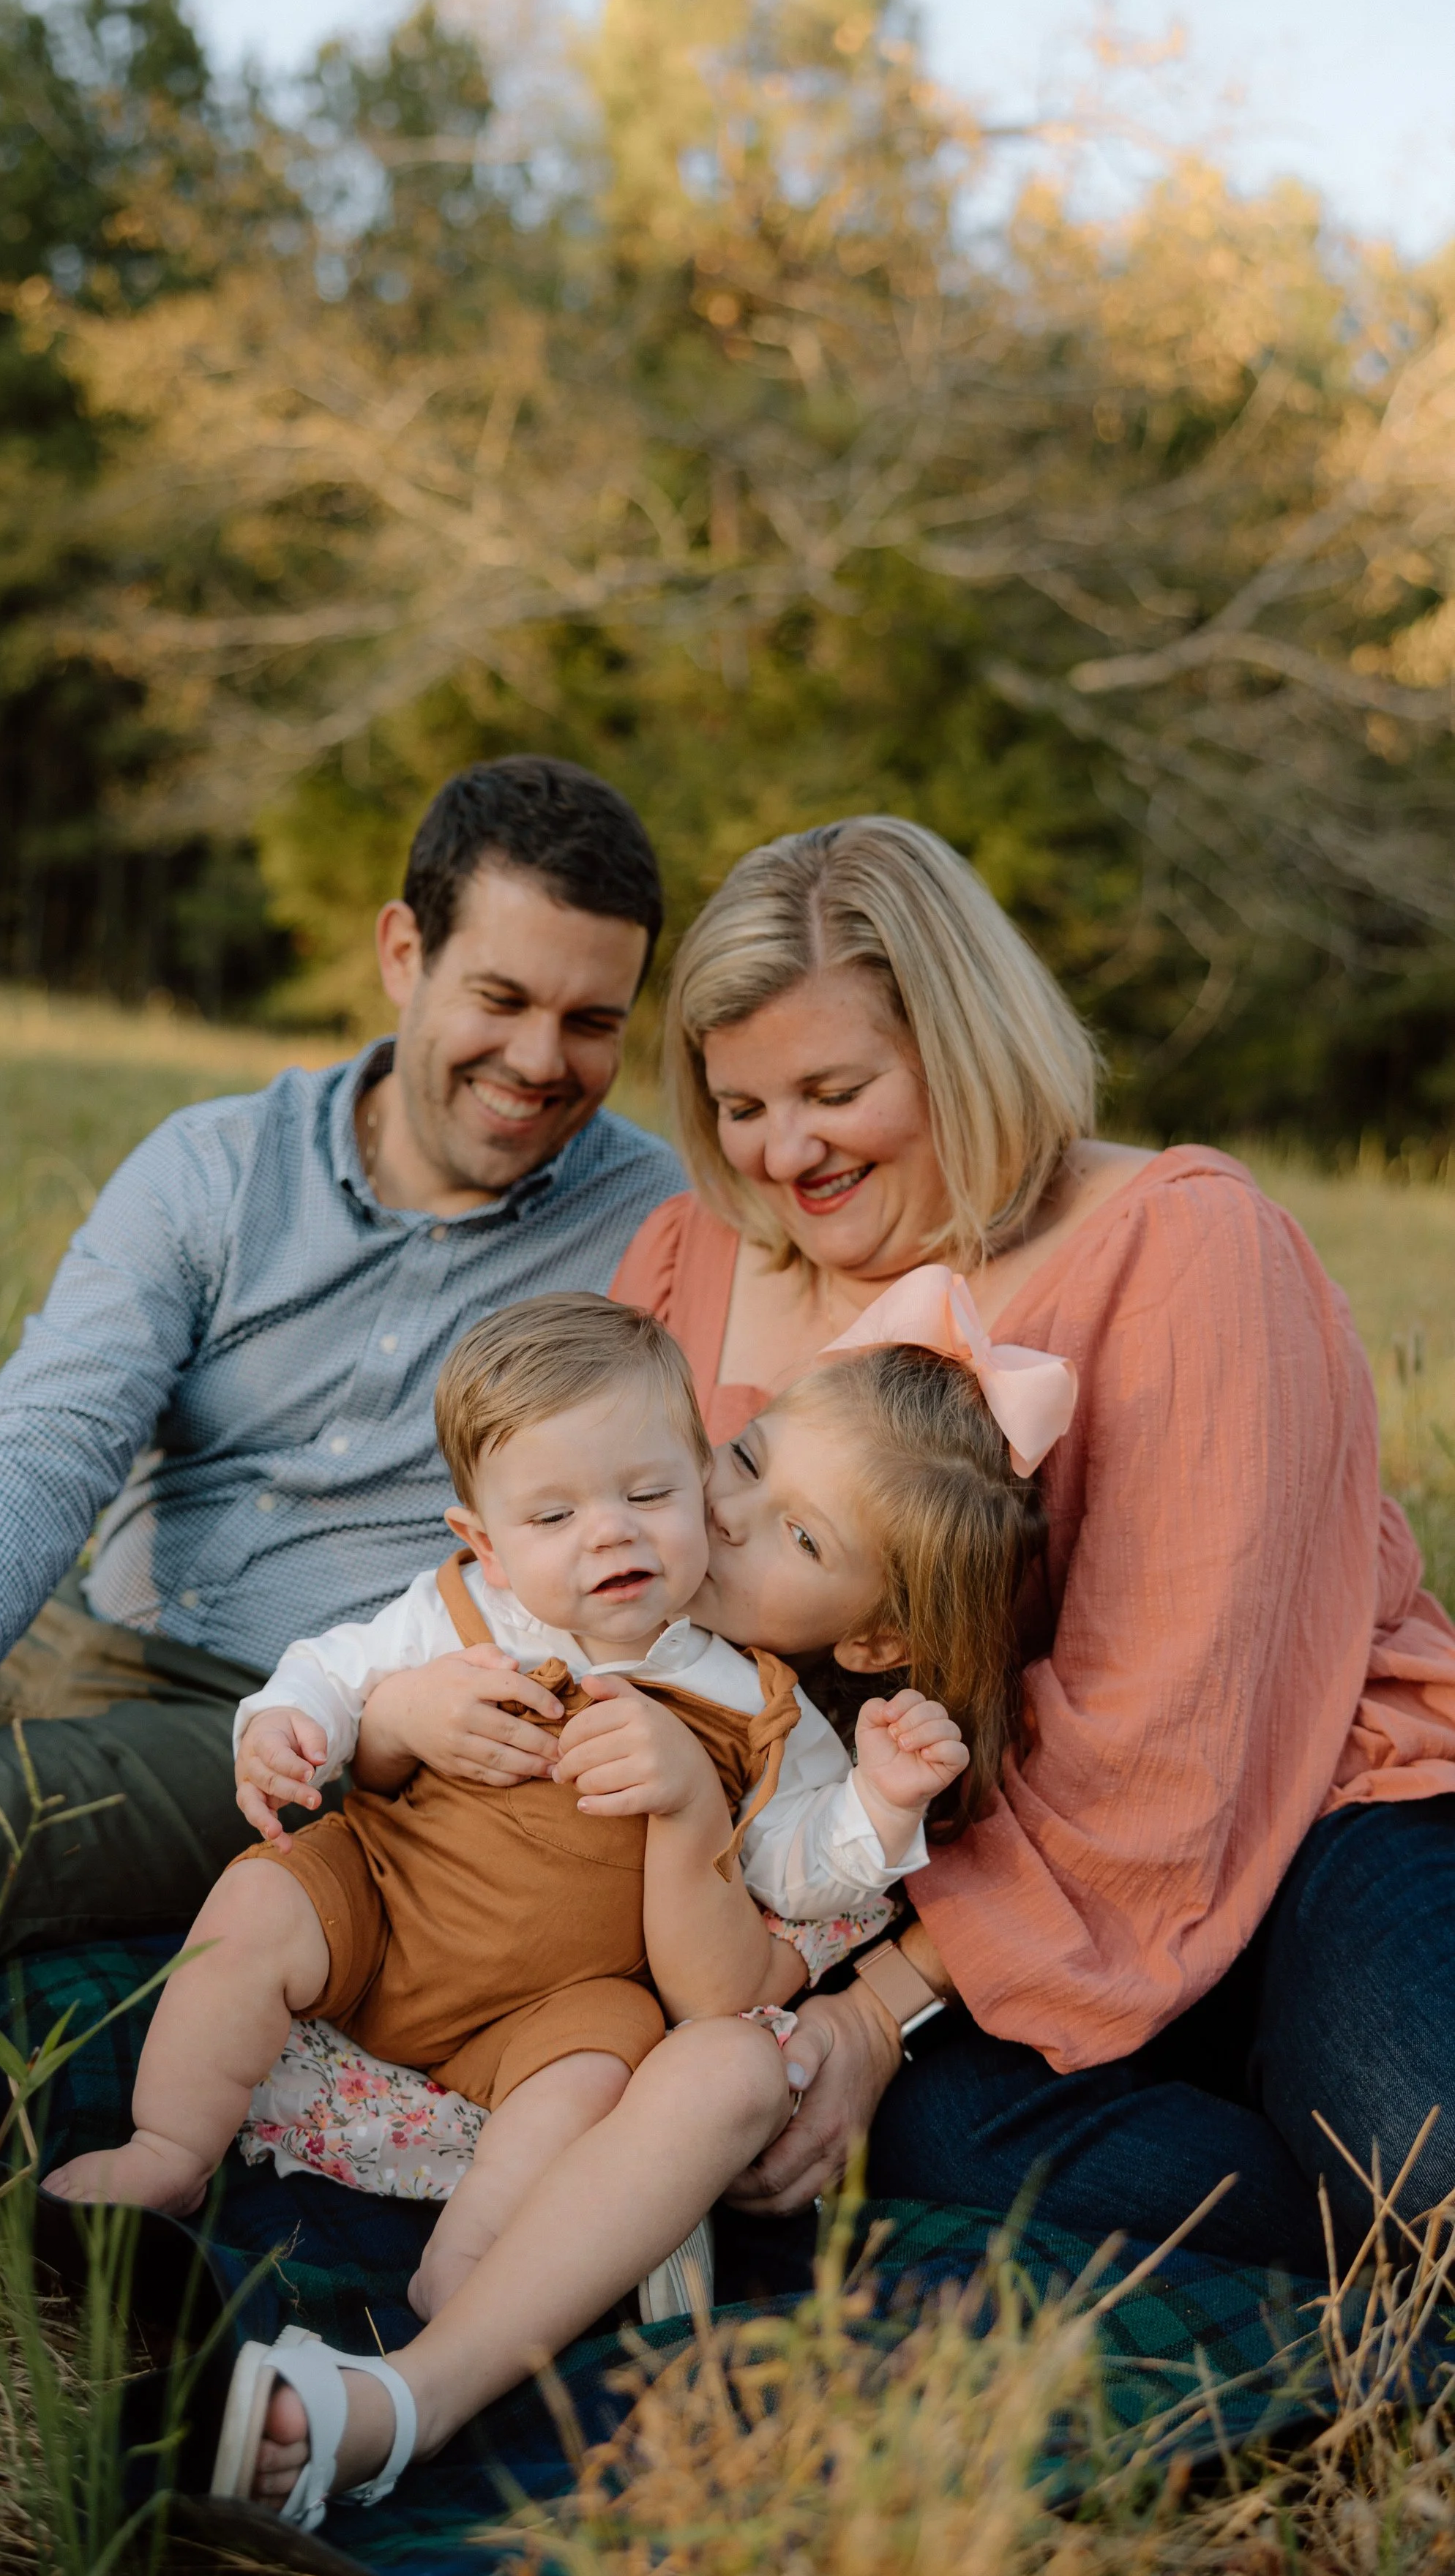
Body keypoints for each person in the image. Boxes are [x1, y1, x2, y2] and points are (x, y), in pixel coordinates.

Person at [0, 757, 687, 2023]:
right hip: (70, 1618)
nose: (537, 1058)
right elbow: (40, 1446)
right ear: (404, 951)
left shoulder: (658, 1232)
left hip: (283, 1729)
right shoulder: (216, 1166)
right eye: (501, 997)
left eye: (592, 1022)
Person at [51, 1289, 1042, 2536]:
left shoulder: (765, 1713)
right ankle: (170, 2149)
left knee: (593, 2067)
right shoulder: (484, 1599)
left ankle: (467, 2289)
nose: (716, 1515)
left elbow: (787, 1896)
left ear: (878, 1629)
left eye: (795, 1535)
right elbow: (335, 1669)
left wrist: (876, 1804)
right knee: (259, 1895)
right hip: (392, 1903)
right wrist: (348, 1722)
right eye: (740, 1461)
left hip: (562, 2014)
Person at [613, 812, 1455, 2269]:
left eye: (833, 1088)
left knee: (1417, 2159)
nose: (784, 1150)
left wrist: (876, 2015)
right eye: (739, 1104)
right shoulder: (690, 1263)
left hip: (1303, 1802)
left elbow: (1170, 1734)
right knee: (914, 2140)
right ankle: (1278, 2201)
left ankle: (1322, 2149)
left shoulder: (1179, 1248)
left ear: (962, 1047)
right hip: (894, 1867)